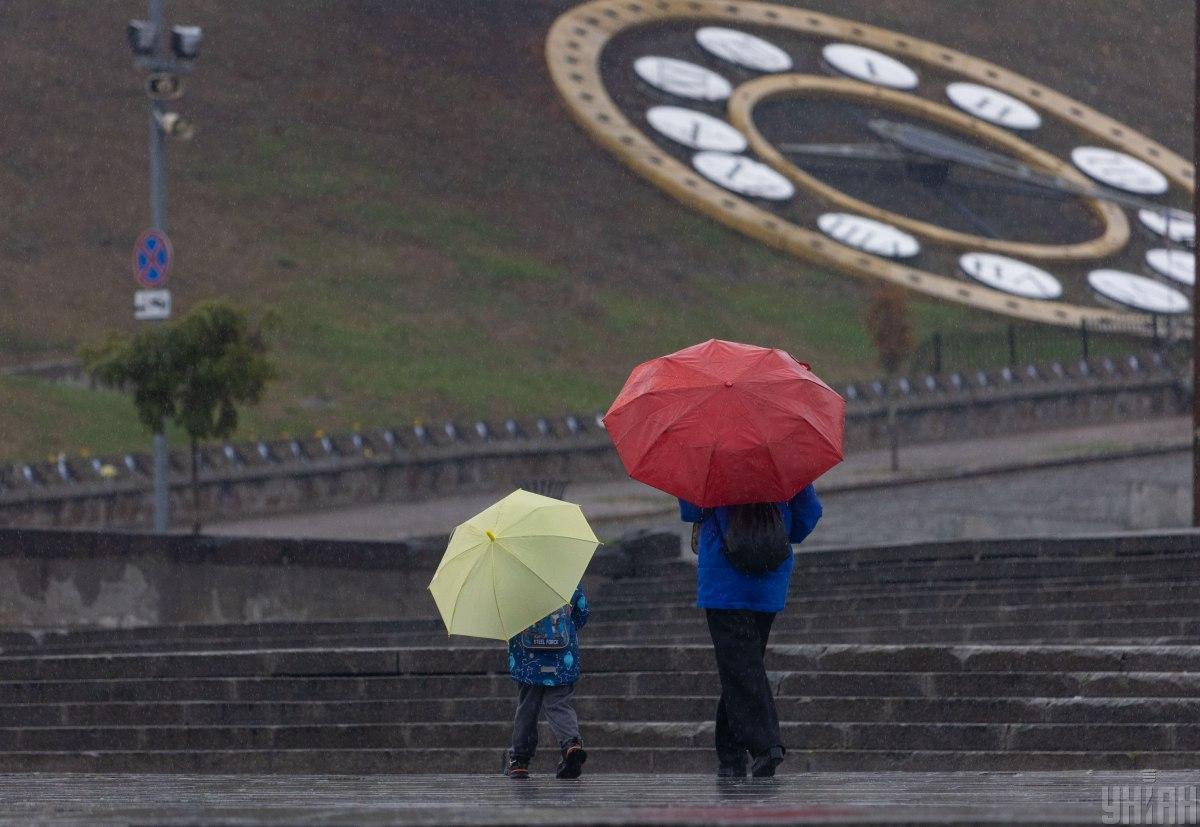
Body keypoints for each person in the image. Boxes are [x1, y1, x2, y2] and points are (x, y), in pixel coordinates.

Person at [680, 485, 822, 778]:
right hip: (768, 579)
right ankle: (730, 757)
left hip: (723, 582)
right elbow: (809, 514)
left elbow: (691, 511)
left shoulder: (709, 465)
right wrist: (775, 530)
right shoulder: (781, 462)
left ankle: (765, 744)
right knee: (743, 666)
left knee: (741, 667)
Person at [501, 585, 589, 779]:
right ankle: (571, 743)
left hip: (527, 658)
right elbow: (581, 614)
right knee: (559, 704)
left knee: (527, 707)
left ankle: (519, 760)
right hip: (561, 656)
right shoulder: (566, 576)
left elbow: (505, 620)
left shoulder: (512, 584)